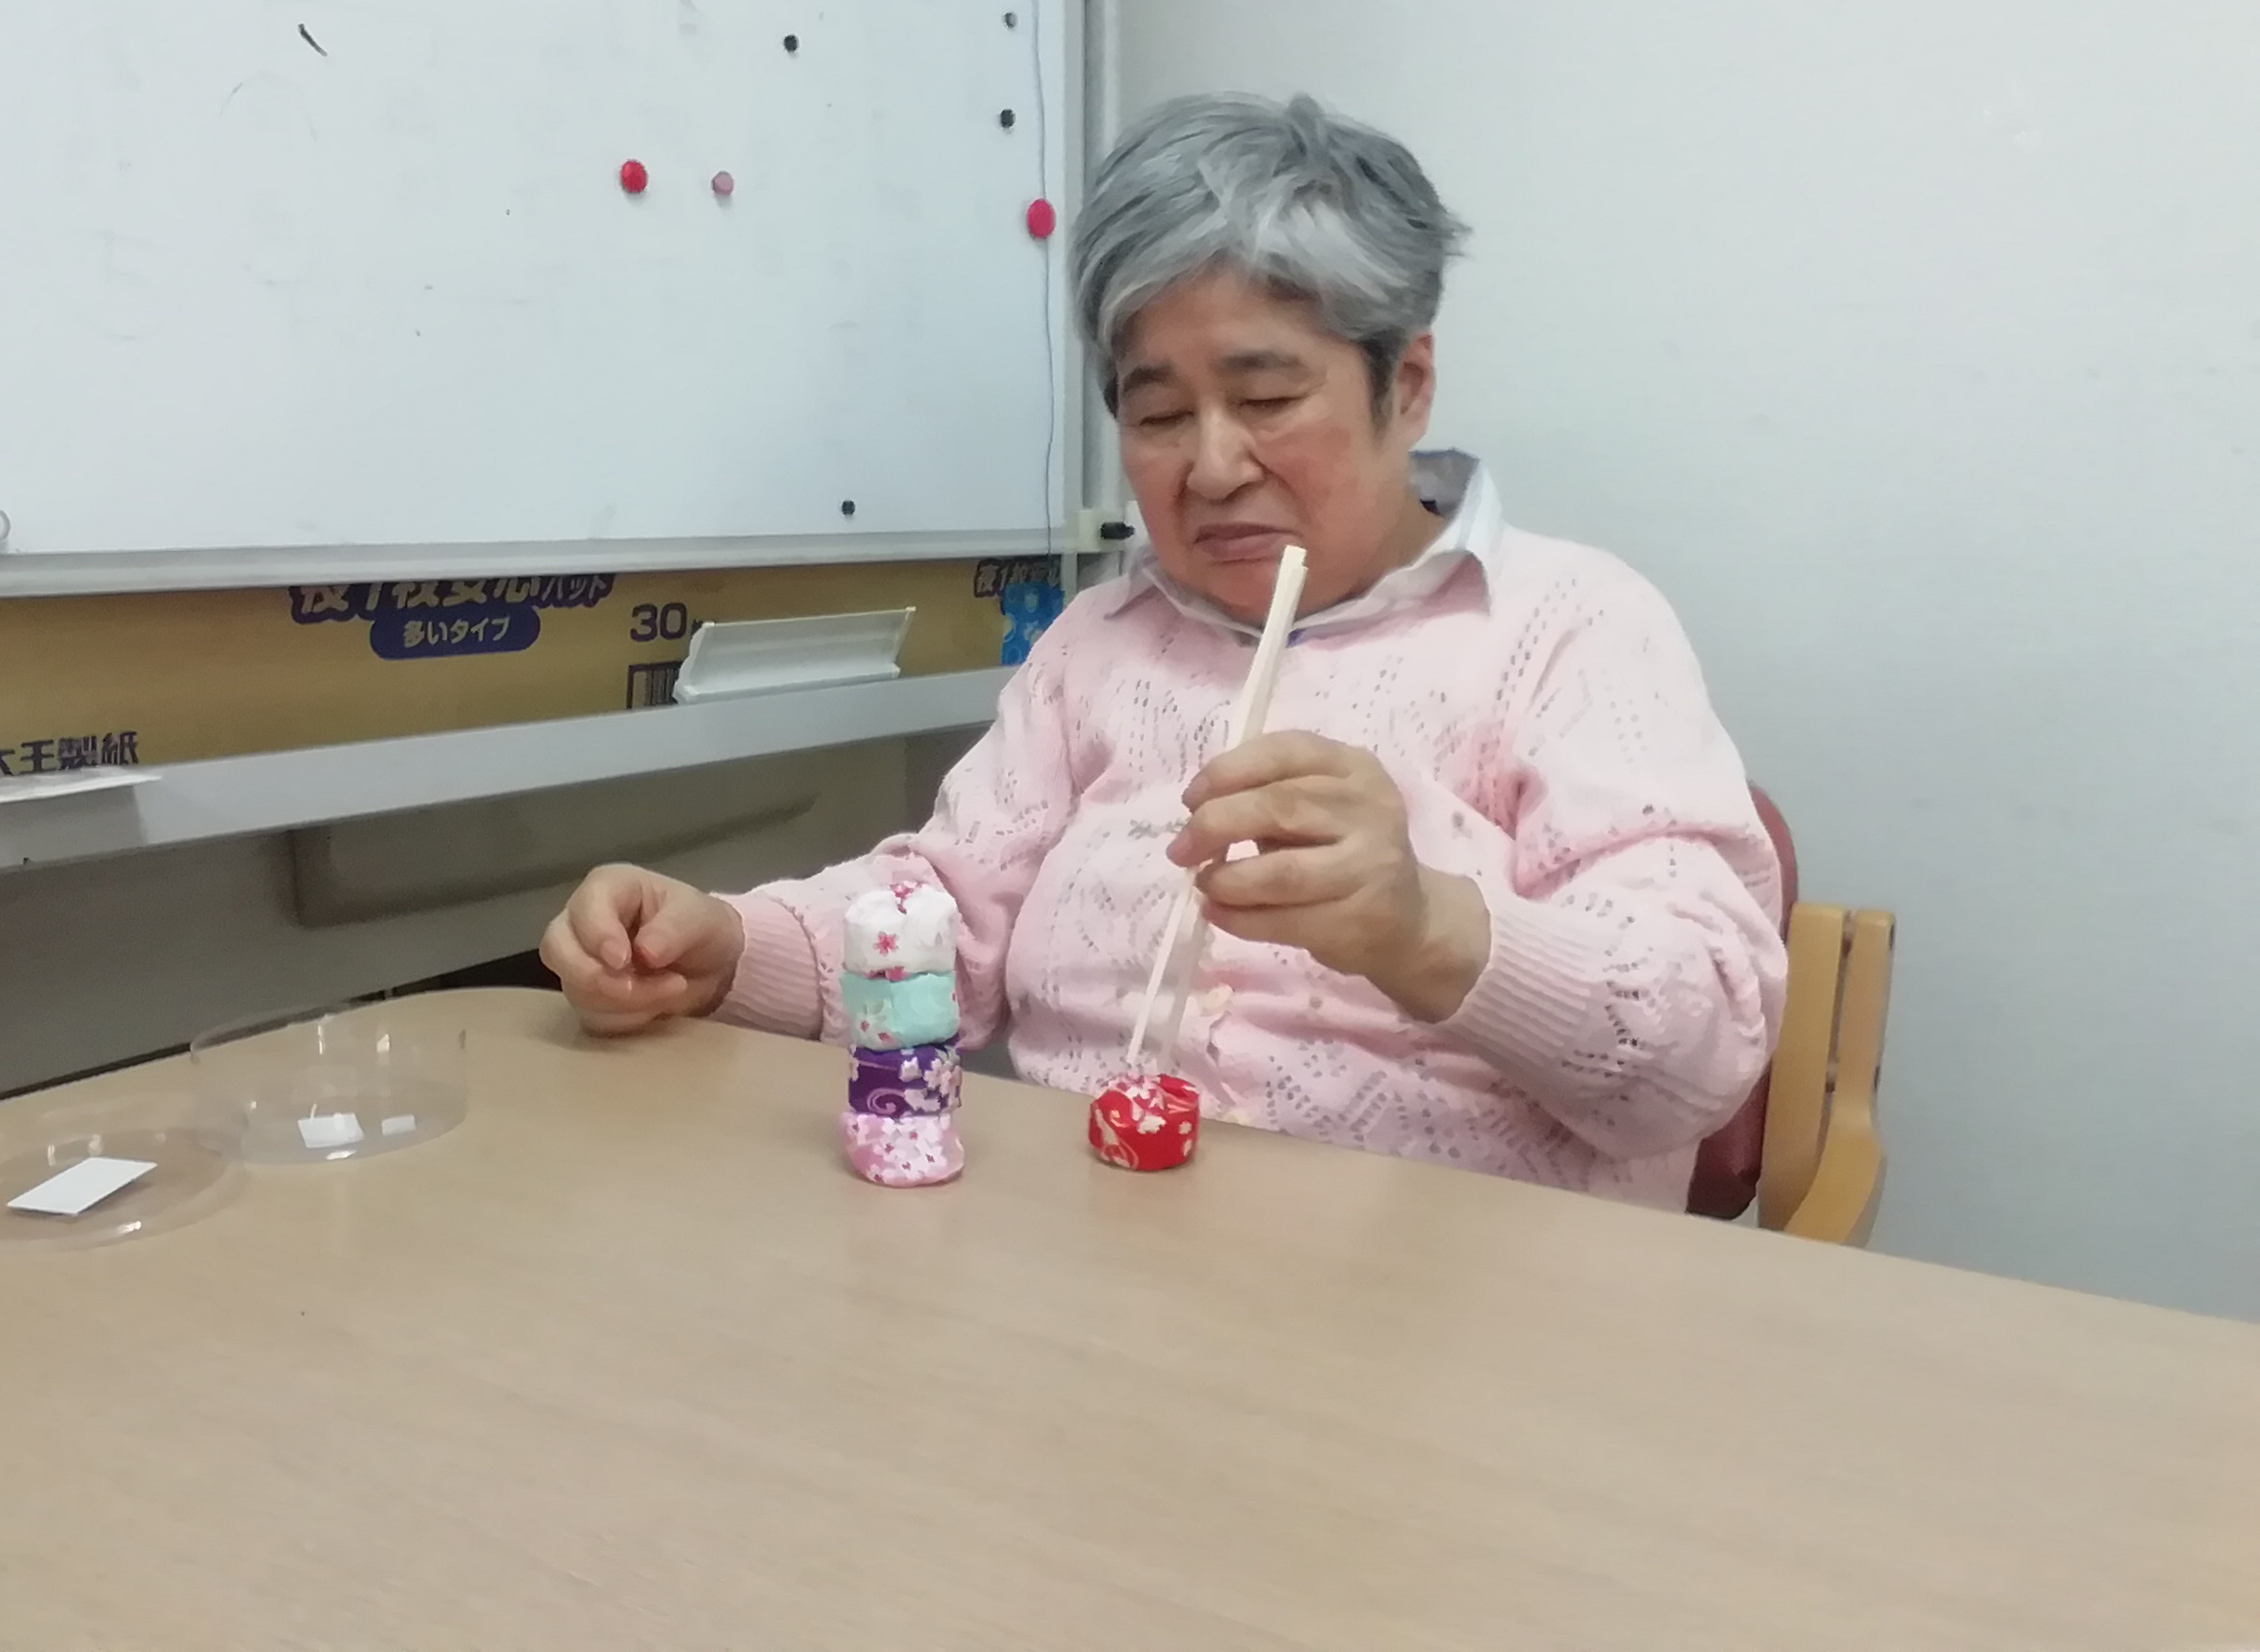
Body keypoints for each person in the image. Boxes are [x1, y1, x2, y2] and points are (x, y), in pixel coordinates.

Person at [543, 93, 1786, 1209]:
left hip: (1456, 1317)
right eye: (1156, 413)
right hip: (1089, 1271)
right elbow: (947, 918)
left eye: (1267, 398)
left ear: (1406, 385)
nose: (1212, 465)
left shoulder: (1572, 628)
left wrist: (1428, 927)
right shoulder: (1103, 643)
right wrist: (724, 947)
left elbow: (1704, 1042)